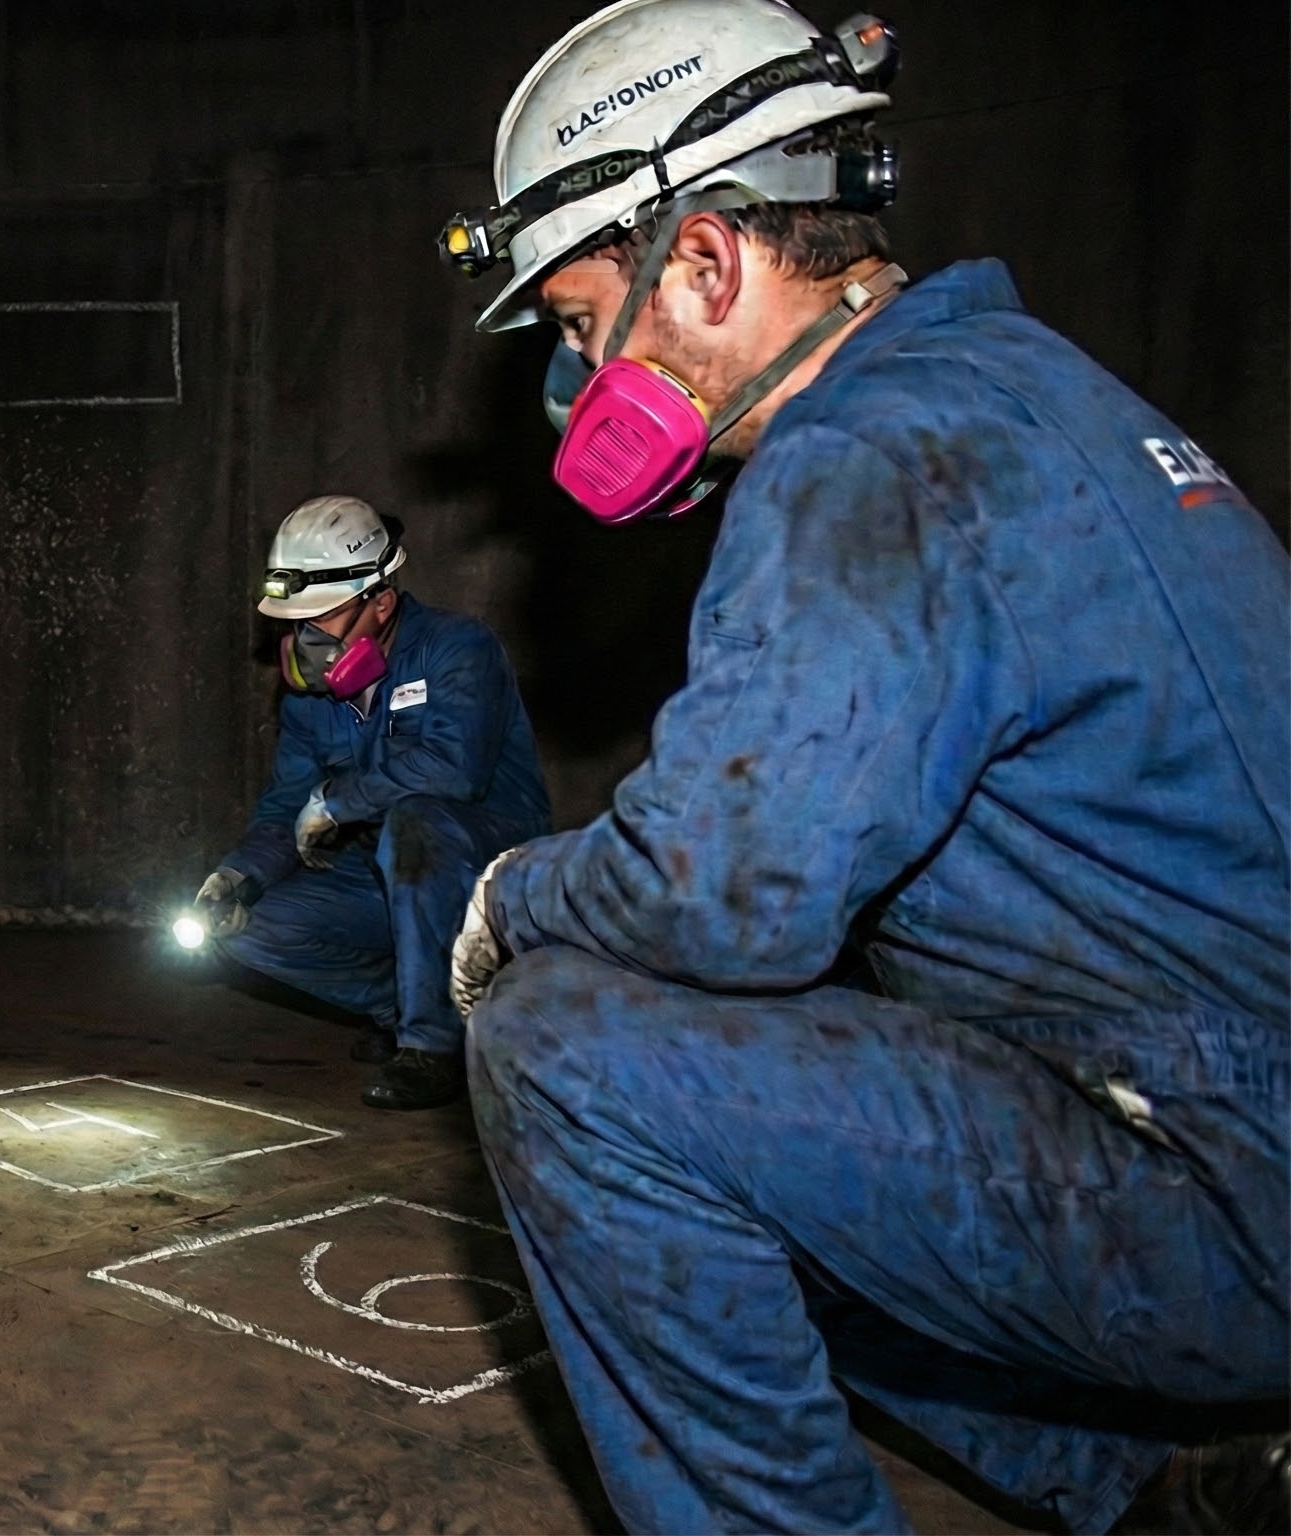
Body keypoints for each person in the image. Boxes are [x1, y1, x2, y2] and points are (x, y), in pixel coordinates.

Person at [436, 1, 1290, 1530]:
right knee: (770, 1129)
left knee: (569, 1048)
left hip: (1224, 1182)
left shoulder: (864, 455)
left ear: (706, 263)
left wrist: (515, 900)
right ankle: (1173, 1490)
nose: (575, 378)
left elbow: (718, 896)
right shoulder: (1023, 388)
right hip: (1218, 1114)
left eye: (576, 322)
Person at [185, 495, 550, 1111]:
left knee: (415, 823)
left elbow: (455, 769)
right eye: (293, 622)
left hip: (485, 868)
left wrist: (339, 800)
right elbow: (285, 805)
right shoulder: (308, 700)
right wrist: (238, 874)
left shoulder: (458, 648)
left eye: (321, 617)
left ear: (381, 602)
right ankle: (409, 1009)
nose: (304, 639)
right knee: (249, 928)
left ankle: (433, 1048)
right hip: (388, 870)